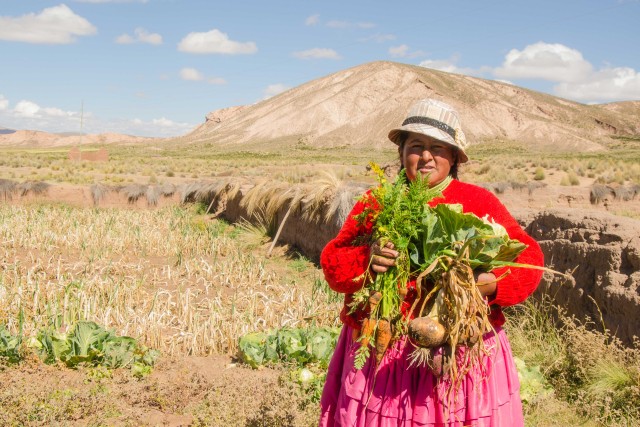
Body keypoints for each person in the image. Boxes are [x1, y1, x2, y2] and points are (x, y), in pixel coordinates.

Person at [318, 98, 544, 427]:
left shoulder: (478, 201)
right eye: (417, 146)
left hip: (459, 352)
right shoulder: (378, 202)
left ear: (453, 157)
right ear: (402, 152)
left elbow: (530, 259)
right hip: (384, 353)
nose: (426, 156)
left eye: (438, 147)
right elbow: (333, 264)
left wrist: (490, 283)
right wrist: (368, 260)